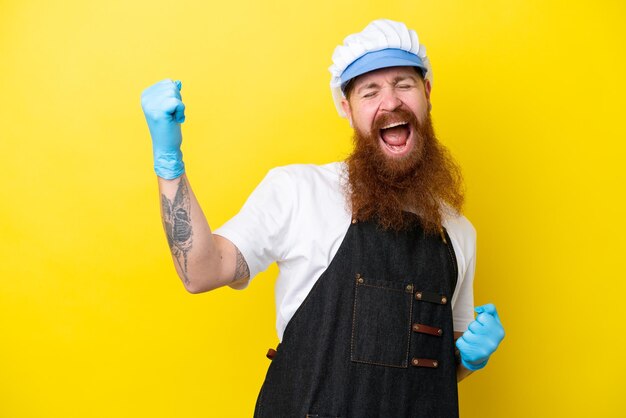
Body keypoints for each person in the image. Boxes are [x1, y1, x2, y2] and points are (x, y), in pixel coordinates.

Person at [141, 18, 504, 418]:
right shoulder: (297, 192)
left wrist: (469, 359)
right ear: (347, 109)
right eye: (370, 91)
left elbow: (435, 374)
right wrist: (169, 163)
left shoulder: (457, 231)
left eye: (404, 84)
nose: (391, 102)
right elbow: (200, 272)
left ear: (427, 93)